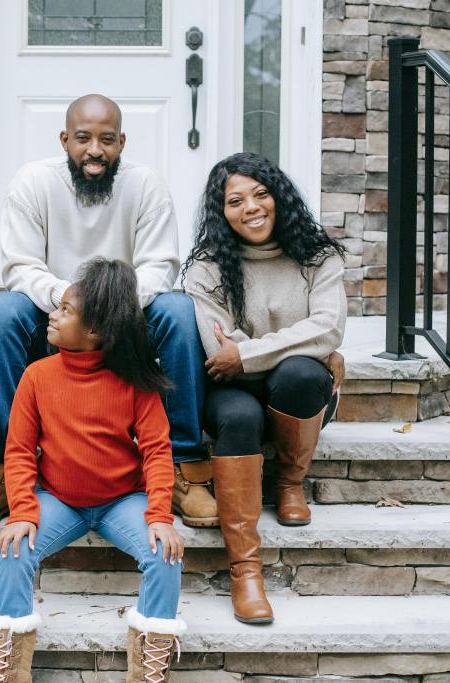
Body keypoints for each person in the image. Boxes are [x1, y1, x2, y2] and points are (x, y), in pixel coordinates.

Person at [0, 93, 217, 531]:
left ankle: (183, 465)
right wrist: (72, 302)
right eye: (83, 138)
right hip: (55, 312)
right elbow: (21, 267)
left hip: (127, 315)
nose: (95, 151)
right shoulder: (33, 182)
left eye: (106, 140)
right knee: (3, 310)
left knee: (177, 310)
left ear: (122, 142)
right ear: (65, 139)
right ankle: (3, 470)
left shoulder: (146, 186)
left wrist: (107, 306)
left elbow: (161, 267)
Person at [0, 258, 186, 682]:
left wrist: (160, 516)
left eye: (65, 311)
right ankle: (8, 670)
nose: (52, 315)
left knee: (164, 555)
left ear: (95, 332)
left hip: (121, 502)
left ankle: (147, 670)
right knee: (14, 548)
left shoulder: (134, 383)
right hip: (58, 500)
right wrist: (22, 511)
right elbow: (18, 451)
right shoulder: (37, 376)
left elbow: (157, 452)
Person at [183, 153, 346, 625]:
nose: (250, 207)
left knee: (300, 374)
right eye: (235, 201)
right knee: (239, 417)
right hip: (230, 392)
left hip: (293, 388)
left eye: (260, 194)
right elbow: (217, 345)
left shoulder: (319, 257)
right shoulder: (208, 268)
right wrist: (288, 347)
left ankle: (290, 482)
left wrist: (247, 355)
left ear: (279, 198)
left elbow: (327, 329)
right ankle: (245, 571)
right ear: (222, 212)